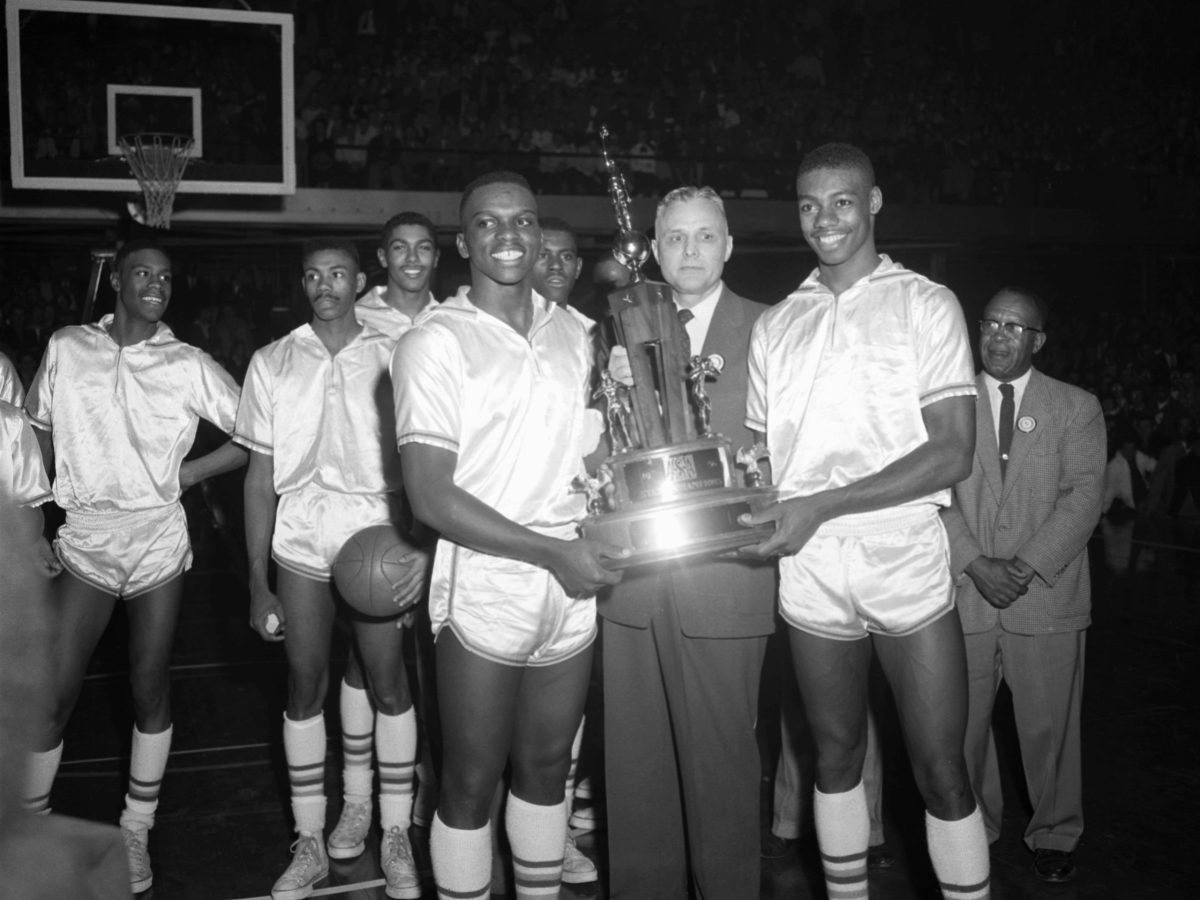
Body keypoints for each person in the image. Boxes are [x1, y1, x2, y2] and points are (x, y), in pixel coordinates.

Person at [743, 143, 990, 900]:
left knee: (942, 770)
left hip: (902, 552)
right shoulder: (776, 324)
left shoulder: (926, 303)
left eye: (842, 202)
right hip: (810, 565)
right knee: (835, 756)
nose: (825, 220)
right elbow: (760, 464)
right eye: (810, 205)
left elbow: (951, 453)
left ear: (874, 202)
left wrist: (822, 503)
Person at [392, 171, 624, 900]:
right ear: (463, 243)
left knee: (548, 770)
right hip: (491, 579)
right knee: (468, 782)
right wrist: (556, 553)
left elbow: (593, 455)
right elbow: (429, 495)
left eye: (522, 221)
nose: (509, 236)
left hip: (574, 578)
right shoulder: (434, 340)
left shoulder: (578, 333)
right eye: (488, 224)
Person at [23, 240, 245, 895]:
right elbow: (36, 426)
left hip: (156, 539)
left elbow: (257, 430)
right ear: (116, 280)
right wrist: (38, 514)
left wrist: (193, 472)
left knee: (149, 683)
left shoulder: (187, 363)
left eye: (166, 276)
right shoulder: (67, 347)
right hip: (87, 537)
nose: (155, 284)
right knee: (53, 695)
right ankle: (28, 828)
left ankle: (136, 828)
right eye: (143, 273)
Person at [599, 185, 776, 900]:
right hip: (635, 585)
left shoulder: (770, 328)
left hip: (727, 578)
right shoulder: (609, 330)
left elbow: (787, 453)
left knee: (724, 775)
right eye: (675, 238)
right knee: (636, 777)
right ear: (653, 246)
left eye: (705, 236)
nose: (690, 251)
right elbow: (590, 456)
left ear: (729, 246)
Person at [238, 239, 428, 900]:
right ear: (304, 284)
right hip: (300, 535)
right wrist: (257, 579)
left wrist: (418, 547)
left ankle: (395, 832)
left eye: (338, 274)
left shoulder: (393, 351)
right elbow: (259, 477)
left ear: (359, 281)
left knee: (387, 680)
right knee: (304, 683)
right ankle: (311, 841)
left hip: (374, 530)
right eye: (314, 275)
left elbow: (418, 461)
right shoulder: (272, 360)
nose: (325, 285)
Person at [941, 287, 1106, 884]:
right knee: (962, 731)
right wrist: (974, 561)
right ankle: (973, 830)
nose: (999, 335)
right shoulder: (946, 402)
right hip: (964, 597)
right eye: (990, 323)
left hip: (1047, 597)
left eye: (1015, 326)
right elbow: (931, 493)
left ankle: (1056, 832)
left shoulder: (1076, 406)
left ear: (1038, 340)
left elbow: (1086, 496)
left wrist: (1027, 564)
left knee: (1050, 731)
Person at [335, 211, 442, 849]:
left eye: (423, 248)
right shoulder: (356, 319)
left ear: (437, 257)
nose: (410, 258)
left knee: (432, 661)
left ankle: (427, 786)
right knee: (366, 658)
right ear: (381, 256)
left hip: (437, 509)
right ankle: (358, 801)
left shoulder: (454, 317)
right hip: (368, 512)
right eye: (398, 248)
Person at [528, 214, 600, 886]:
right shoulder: (484, 330)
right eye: (543, 253)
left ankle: (556, 837)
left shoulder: (589, 336)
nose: (555, 264)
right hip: (499, 547)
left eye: (567, 255)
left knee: (563, 718)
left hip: (575, 544)